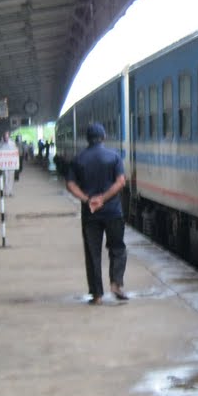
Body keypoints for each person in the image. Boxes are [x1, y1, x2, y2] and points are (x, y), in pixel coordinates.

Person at [66, 123, 128, 305]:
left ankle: (97, 294)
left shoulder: (78, 158)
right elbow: (121, 182)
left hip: (90, 214)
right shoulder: (114, 156)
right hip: (113, 211)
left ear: (87, 138)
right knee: (117, 248)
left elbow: (70, 184)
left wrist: (88, 199)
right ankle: (116, 284)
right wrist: (104, 198)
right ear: (104, 137)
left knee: (93, 253)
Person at [1, 131, 17, 197]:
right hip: (4, 164)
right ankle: (6, 192)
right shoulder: (1, 144)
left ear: (8, 137)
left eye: (6, 137)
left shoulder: (12, 144)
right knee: (6, 178)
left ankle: (10, 191)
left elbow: (15, 152)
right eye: (4, 137)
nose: (5, 139)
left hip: (11, 163)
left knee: (11, 178)